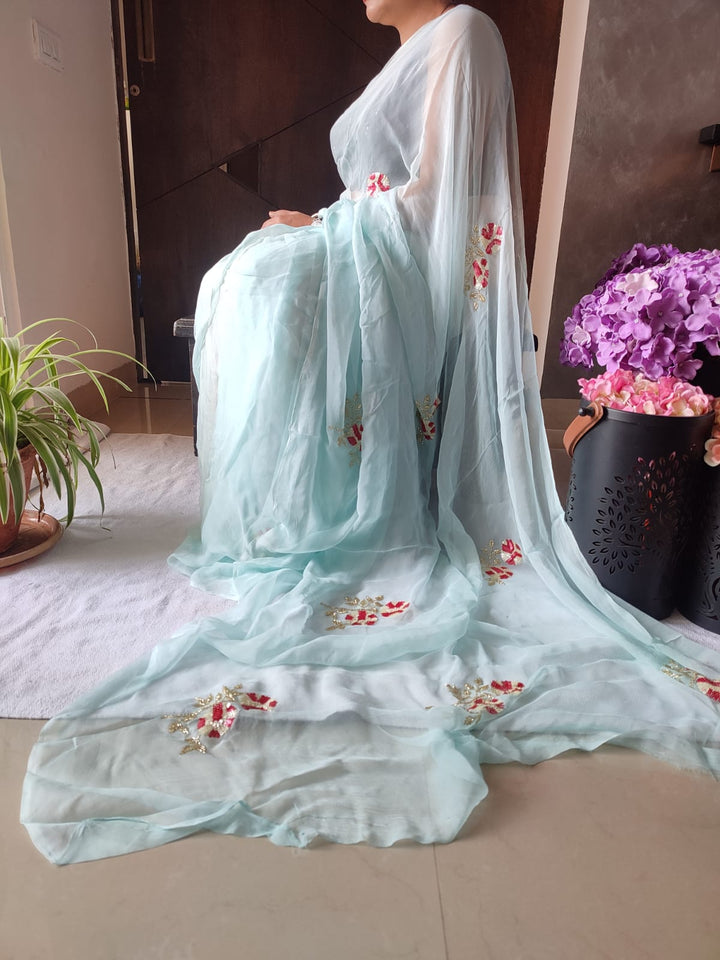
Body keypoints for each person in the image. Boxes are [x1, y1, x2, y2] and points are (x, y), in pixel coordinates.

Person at [21, 2, 720, 865]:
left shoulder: (464, 31)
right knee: (249, 274)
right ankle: (299, 504)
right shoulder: (424, 47)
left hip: (413, 272)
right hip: (387, 251)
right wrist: (322, 224)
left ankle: (322, 504)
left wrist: (321, 226)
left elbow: (438, 194)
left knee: (265, 277)